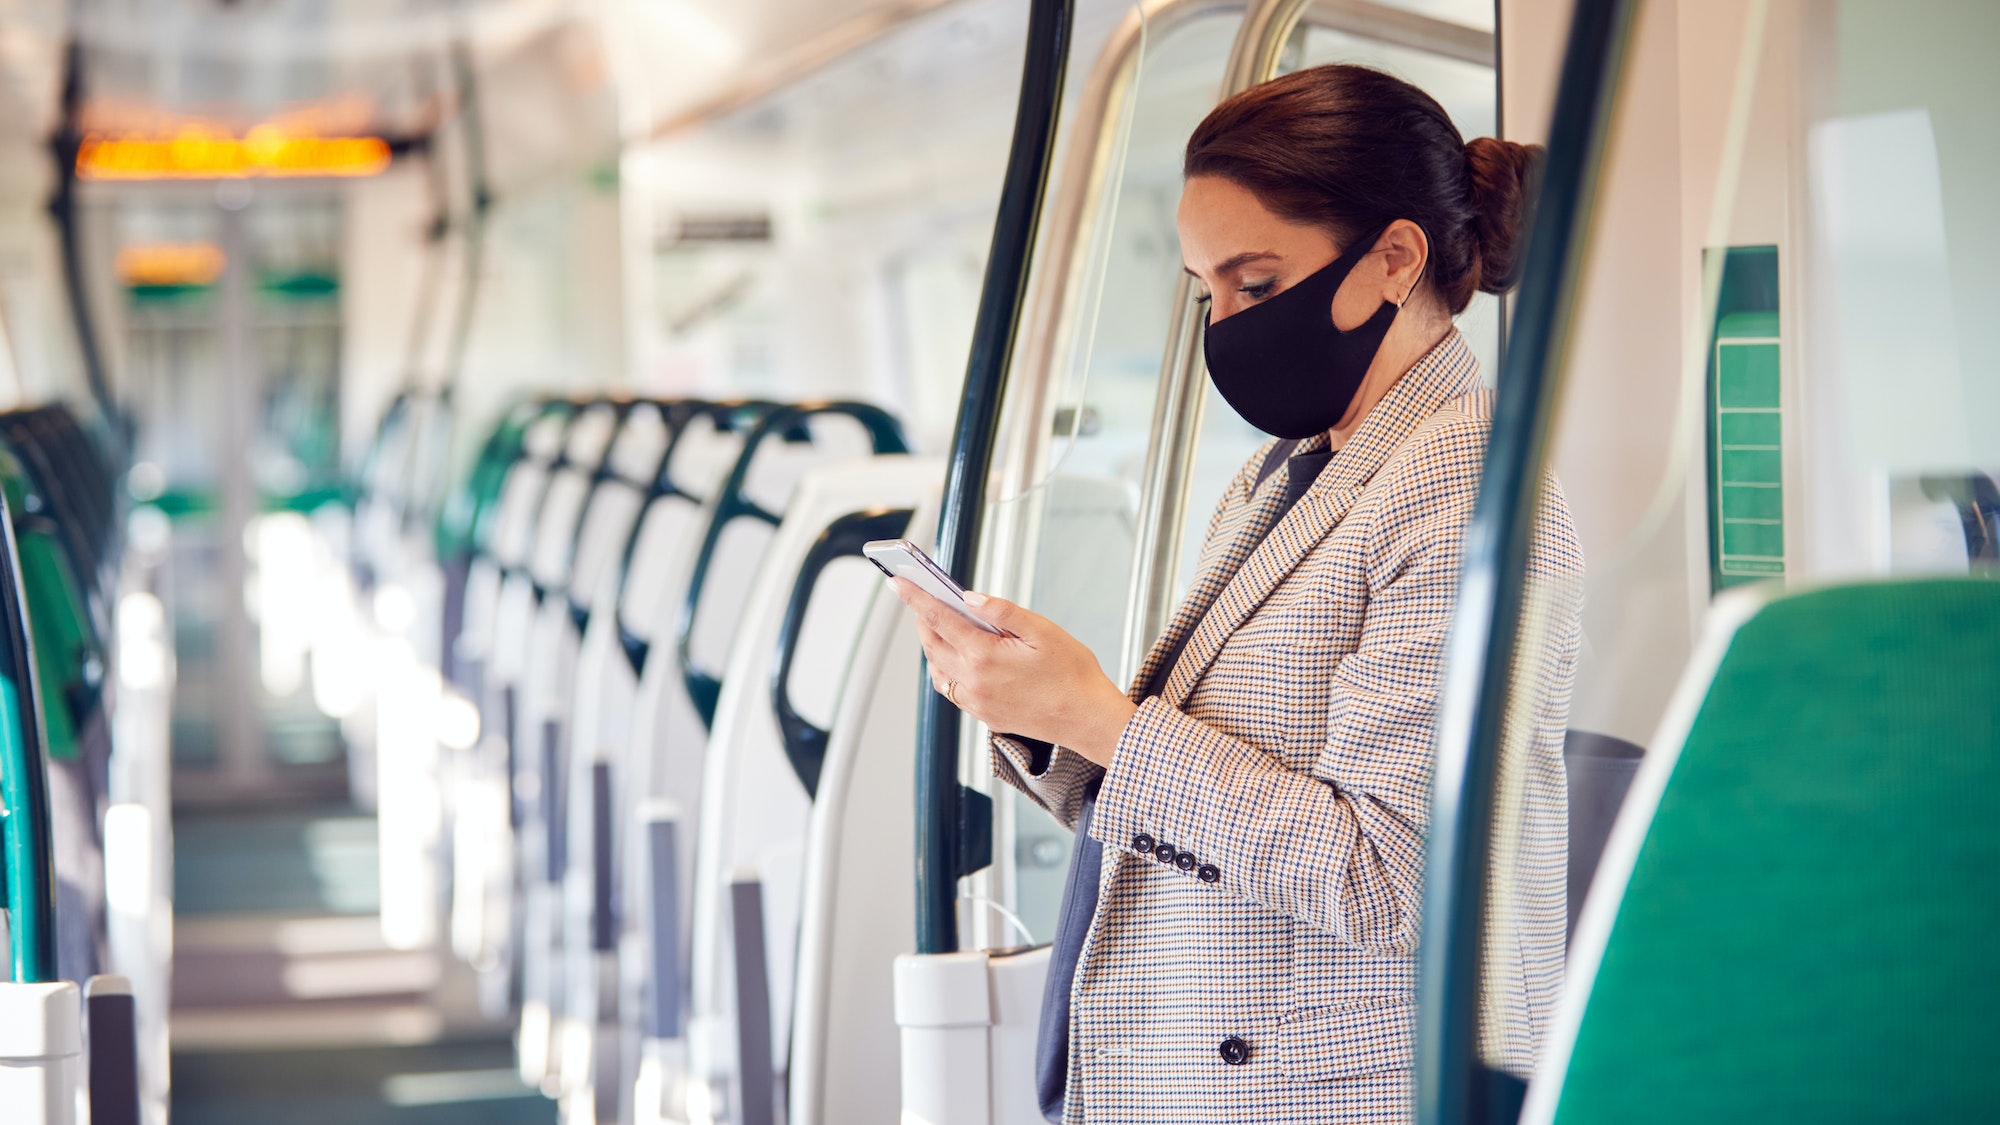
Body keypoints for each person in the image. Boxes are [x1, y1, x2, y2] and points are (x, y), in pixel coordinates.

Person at [892, 64, 1582, 1124]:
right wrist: (1039, 713)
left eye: (1253, 285)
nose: (1224, 324)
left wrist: (1096, 715)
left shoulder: (1466, 481)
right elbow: (1200, 768)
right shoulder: (1291, 468)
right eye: (1205, 290)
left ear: (1392, 259)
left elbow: (1391, 878)